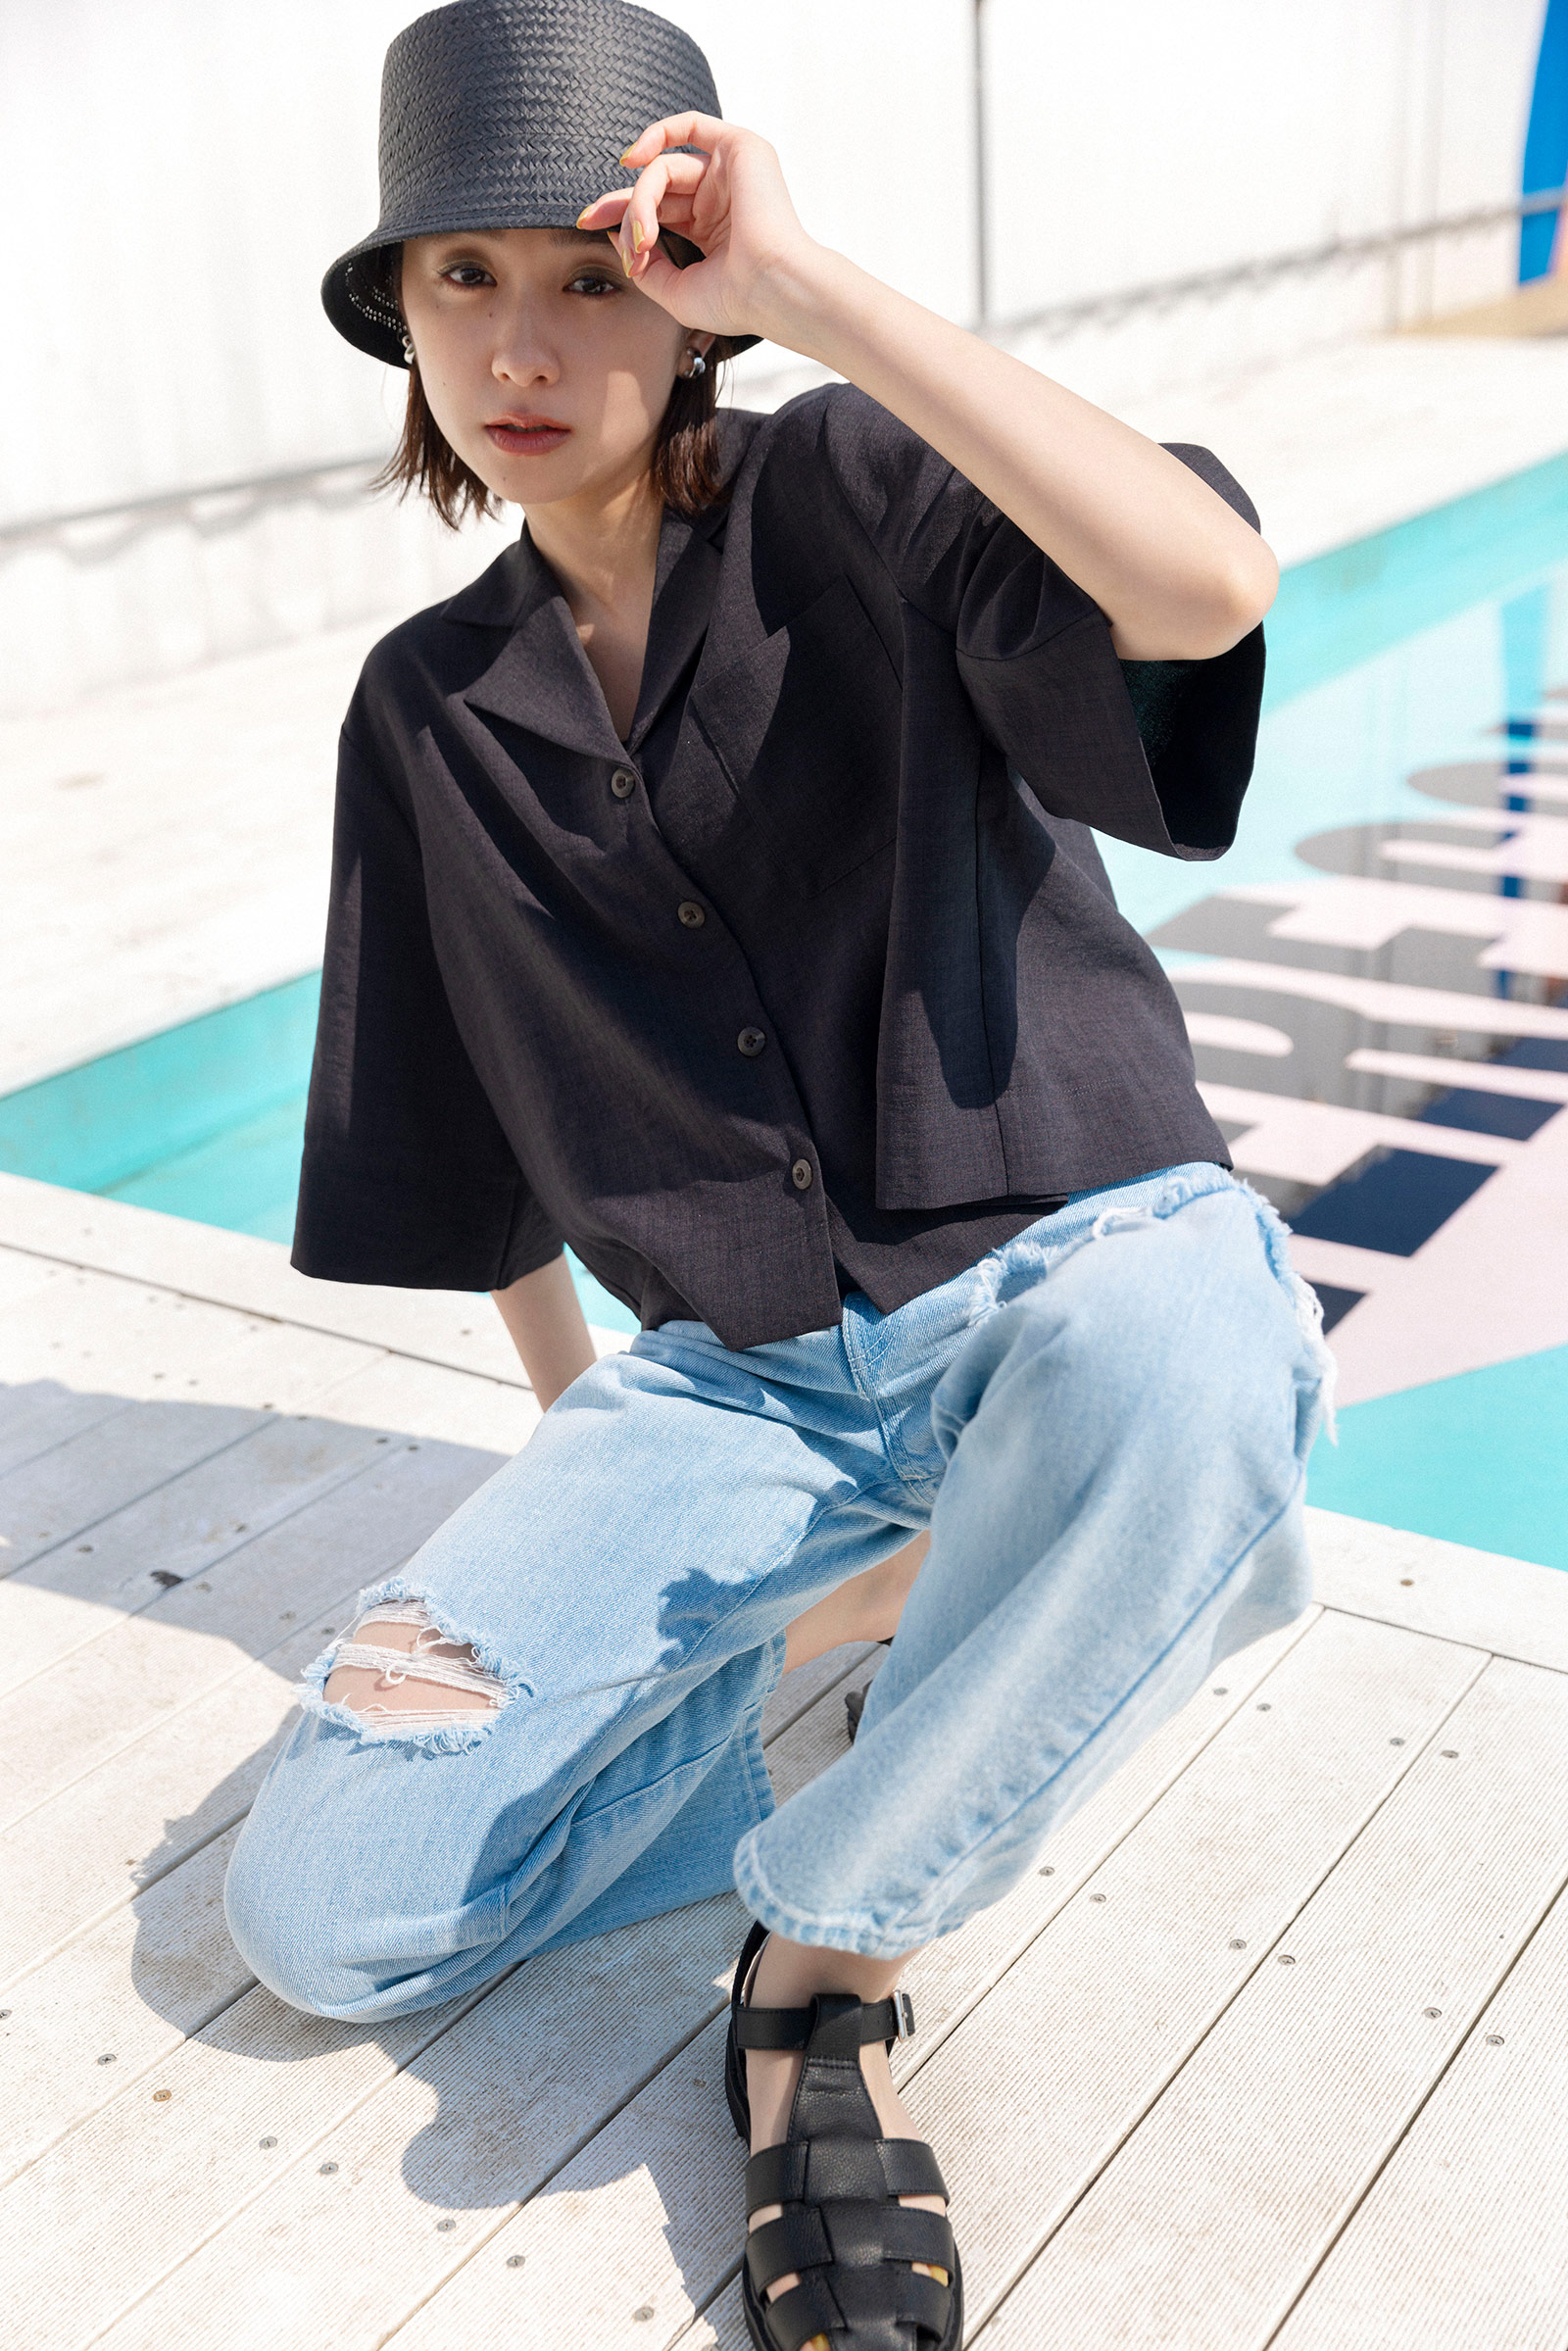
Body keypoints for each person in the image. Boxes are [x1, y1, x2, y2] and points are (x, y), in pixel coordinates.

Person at [223, 4, 1331, 2344]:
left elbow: (1201, 588)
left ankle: (820, 1965)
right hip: (731, 1387)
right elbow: (465, 1149)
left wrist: (811, 289)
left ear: (685, 299)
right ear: (399, 316)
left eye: (588, 278)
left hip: (1060, 1271)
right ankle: (926, 1618)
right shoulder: (426, 709)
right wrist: (588, 1506)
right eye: (460, 281)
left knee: (1188, 1352)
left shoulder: (848, 482)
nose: (523, 349)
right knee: (326, 1919)